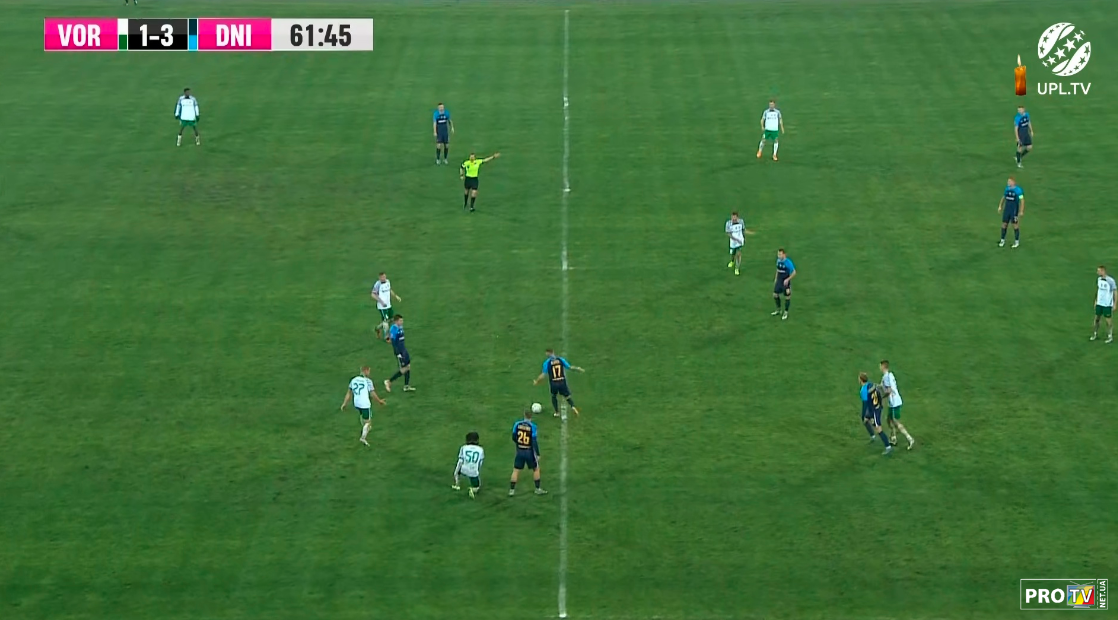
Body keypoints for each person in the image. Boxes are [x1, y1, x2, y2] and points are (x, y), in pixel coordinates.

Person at [339, 366, 386, 446]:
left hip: (356, 403)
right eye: (369, 371)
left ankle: (365, 426)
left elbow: (349, 393)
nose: (369, 373)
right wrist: (379, 401)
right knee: (368, 423)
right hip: (364, 404)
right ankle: (363, 438)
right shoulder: (368, 381)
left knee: (362, 415)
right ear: (366, 371)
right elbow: (372, 394)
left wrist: (344, 403)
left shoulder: (353, 380)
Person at [533, 349, 584, 417]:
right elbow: (569, 367)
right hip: (562, 381)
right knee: (567, 396)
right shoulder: (561, 360)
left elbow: (543, 375)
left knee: (554, 396)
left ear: (548, 354)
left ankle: (557, 412)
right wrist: (578, 368)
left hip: (554, 383)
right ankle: (573, 407)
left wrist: (537, 381)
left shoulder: (547, 363)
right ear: (553, 352)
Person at [509, 409, 546, 496]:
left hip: (520, 451)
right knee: (536, 469)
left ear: (524, 415)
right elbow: (534, 441)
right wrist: (537, 453)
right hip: (529, 451)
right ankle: (537, 489)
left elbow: (514, 437)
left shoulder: (517, 424)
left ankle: (511, 490)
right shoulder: (533, 426)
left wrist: (518, 444)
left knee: (516, 470)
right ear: (531, 416)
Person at [879, 360, 915, 450]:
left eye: (880, 366)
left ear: (883, 367)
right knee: (889, 419)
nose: (879, 368)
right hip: (893, 402)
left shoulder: (886, 377)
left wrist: (882, 397)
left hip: (894, 402)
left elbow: (889, 390)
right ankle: (894, 438)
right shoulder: (889, 375)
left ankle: (910, 439)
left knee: (895, 421)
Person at [860, 373, 893, 455]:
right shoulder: (872, 385)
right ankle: (873, 436)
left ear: (860, 380)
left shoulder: (863, 391)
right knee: (866, 420)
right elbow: (879, 391)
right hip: (876, 407)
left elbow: (865, 404)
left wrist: (864, 414)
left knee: (878, 429)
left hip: (875, 410)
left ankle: (888, 447)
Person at [384, 315, 415, 392]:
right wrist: (397, 353)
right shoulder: (393, 329)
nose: (402, 322)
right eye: (400, 320)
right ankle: (389, 381)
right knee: (404, 368)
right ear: (396, 321)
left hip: (404, 349)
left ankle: (406, 386)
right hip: (400, 351)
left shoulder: (400, 327)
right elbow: (393, 342)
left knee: (408, 366)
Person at [371, 272, 403, 341]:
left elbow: (390, 290)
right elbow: (373, 294)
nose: (384, 278)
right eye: (382, 277)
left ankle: (377, 328)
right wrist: (381, 302)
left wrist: (396, 296)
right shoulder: (378, 284)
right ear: (379, 278)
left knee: (391, 319)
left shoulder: (388, 281)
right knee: (385, 321)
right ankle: (387, 337)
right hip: (382, 307)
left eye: (385, 277)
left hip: (388, 305)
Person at [453, 432, 485, 498]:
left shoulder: (463, 447)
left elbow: (460, 460)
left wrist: (456, 472)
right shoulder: (481, 449)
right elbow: (480, 463)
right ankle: (473, 490)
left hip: (463, 469)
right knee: (477, 487)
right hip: (473, 471)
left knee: (456, 474)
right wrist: (477, 471)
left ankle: (457, 485)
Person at [997, 177, 1025, 248]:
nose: (1008, 183)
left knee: (1015, 225)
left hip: (1014, 211)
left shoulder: (1018, 190)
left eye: (1009, 181)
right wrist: (1000, 206)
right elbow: (1003, 197)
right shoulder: (1007, 189)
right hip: (1007, 210)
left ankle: (1016, 242)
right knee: (1004, 224)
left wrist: (1021, 211)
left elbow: (1022, 200)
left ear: (1013, 182)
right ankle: (1002, 240)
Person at [1092, 265, 1116, 343]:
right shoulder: (1099, 279)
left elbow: (1115, 292)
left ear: (1103, 271)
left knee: (1108, 320)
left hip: (1107, 304)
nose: (1097, 272)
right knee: (1096, 319)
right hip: (1099, 303)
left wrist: (1115, 304)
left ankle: (1110, 336)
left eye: (1099, 271)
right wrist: (1096, 300)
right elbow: (1098, 290)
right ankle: (1095, 334)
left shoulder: (1110, 281)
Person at [725, 211, 753, 276]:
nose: (733, 219)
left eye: (735, 218)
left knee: (738, 254)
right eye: (732, 218)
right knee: (733, 253)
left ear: (737, 217)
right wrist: (736, 239)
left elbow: (743, 230)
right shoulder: (728, 223)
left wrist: (744, 238)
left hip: (740, 241)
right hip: (733, 242)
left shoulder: (741, 221)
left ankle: (737, 268)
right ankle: (732, 261)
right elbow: (728, 234)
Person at [772, 248, 796, 320]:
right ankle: (778, 310)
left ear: (784, 255)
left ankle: (786, 312)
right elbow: (777, 270)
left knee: (787, 296)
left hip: (785, 282)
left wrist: (788, 279)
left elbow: (794, 272)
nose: (778, 256)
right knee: (775, 294)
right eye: (778, 254)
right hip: (779, 281)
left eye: (780, 254)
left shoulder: (788, 262)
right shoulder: (778, 261)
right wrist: (776, 278)